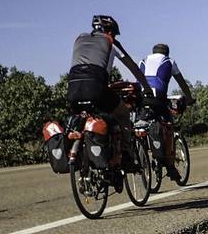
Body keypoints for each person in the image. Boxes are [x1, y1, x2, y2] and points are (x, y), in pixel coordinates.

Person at [66, 15, 151, 183]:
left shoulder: (79, 39)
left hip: (73, 89)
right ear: (111, 31)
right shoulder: (110, 42)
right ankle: (126, 154)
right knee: (122, 113)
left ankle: (85, 168)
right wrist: (146, 88)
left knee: (85, 119)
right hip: (96, 88)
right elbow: (133, 67)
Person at [139, 43, 196, 179]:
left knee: (142, 122)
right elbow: (181, 82)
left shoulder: (143, 60)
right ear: (167, 53)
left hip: (141, 97)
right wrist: (189, 98)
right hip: (158, 97)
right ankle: (170, 166)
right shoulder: (169, 61)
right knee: (168, 123)